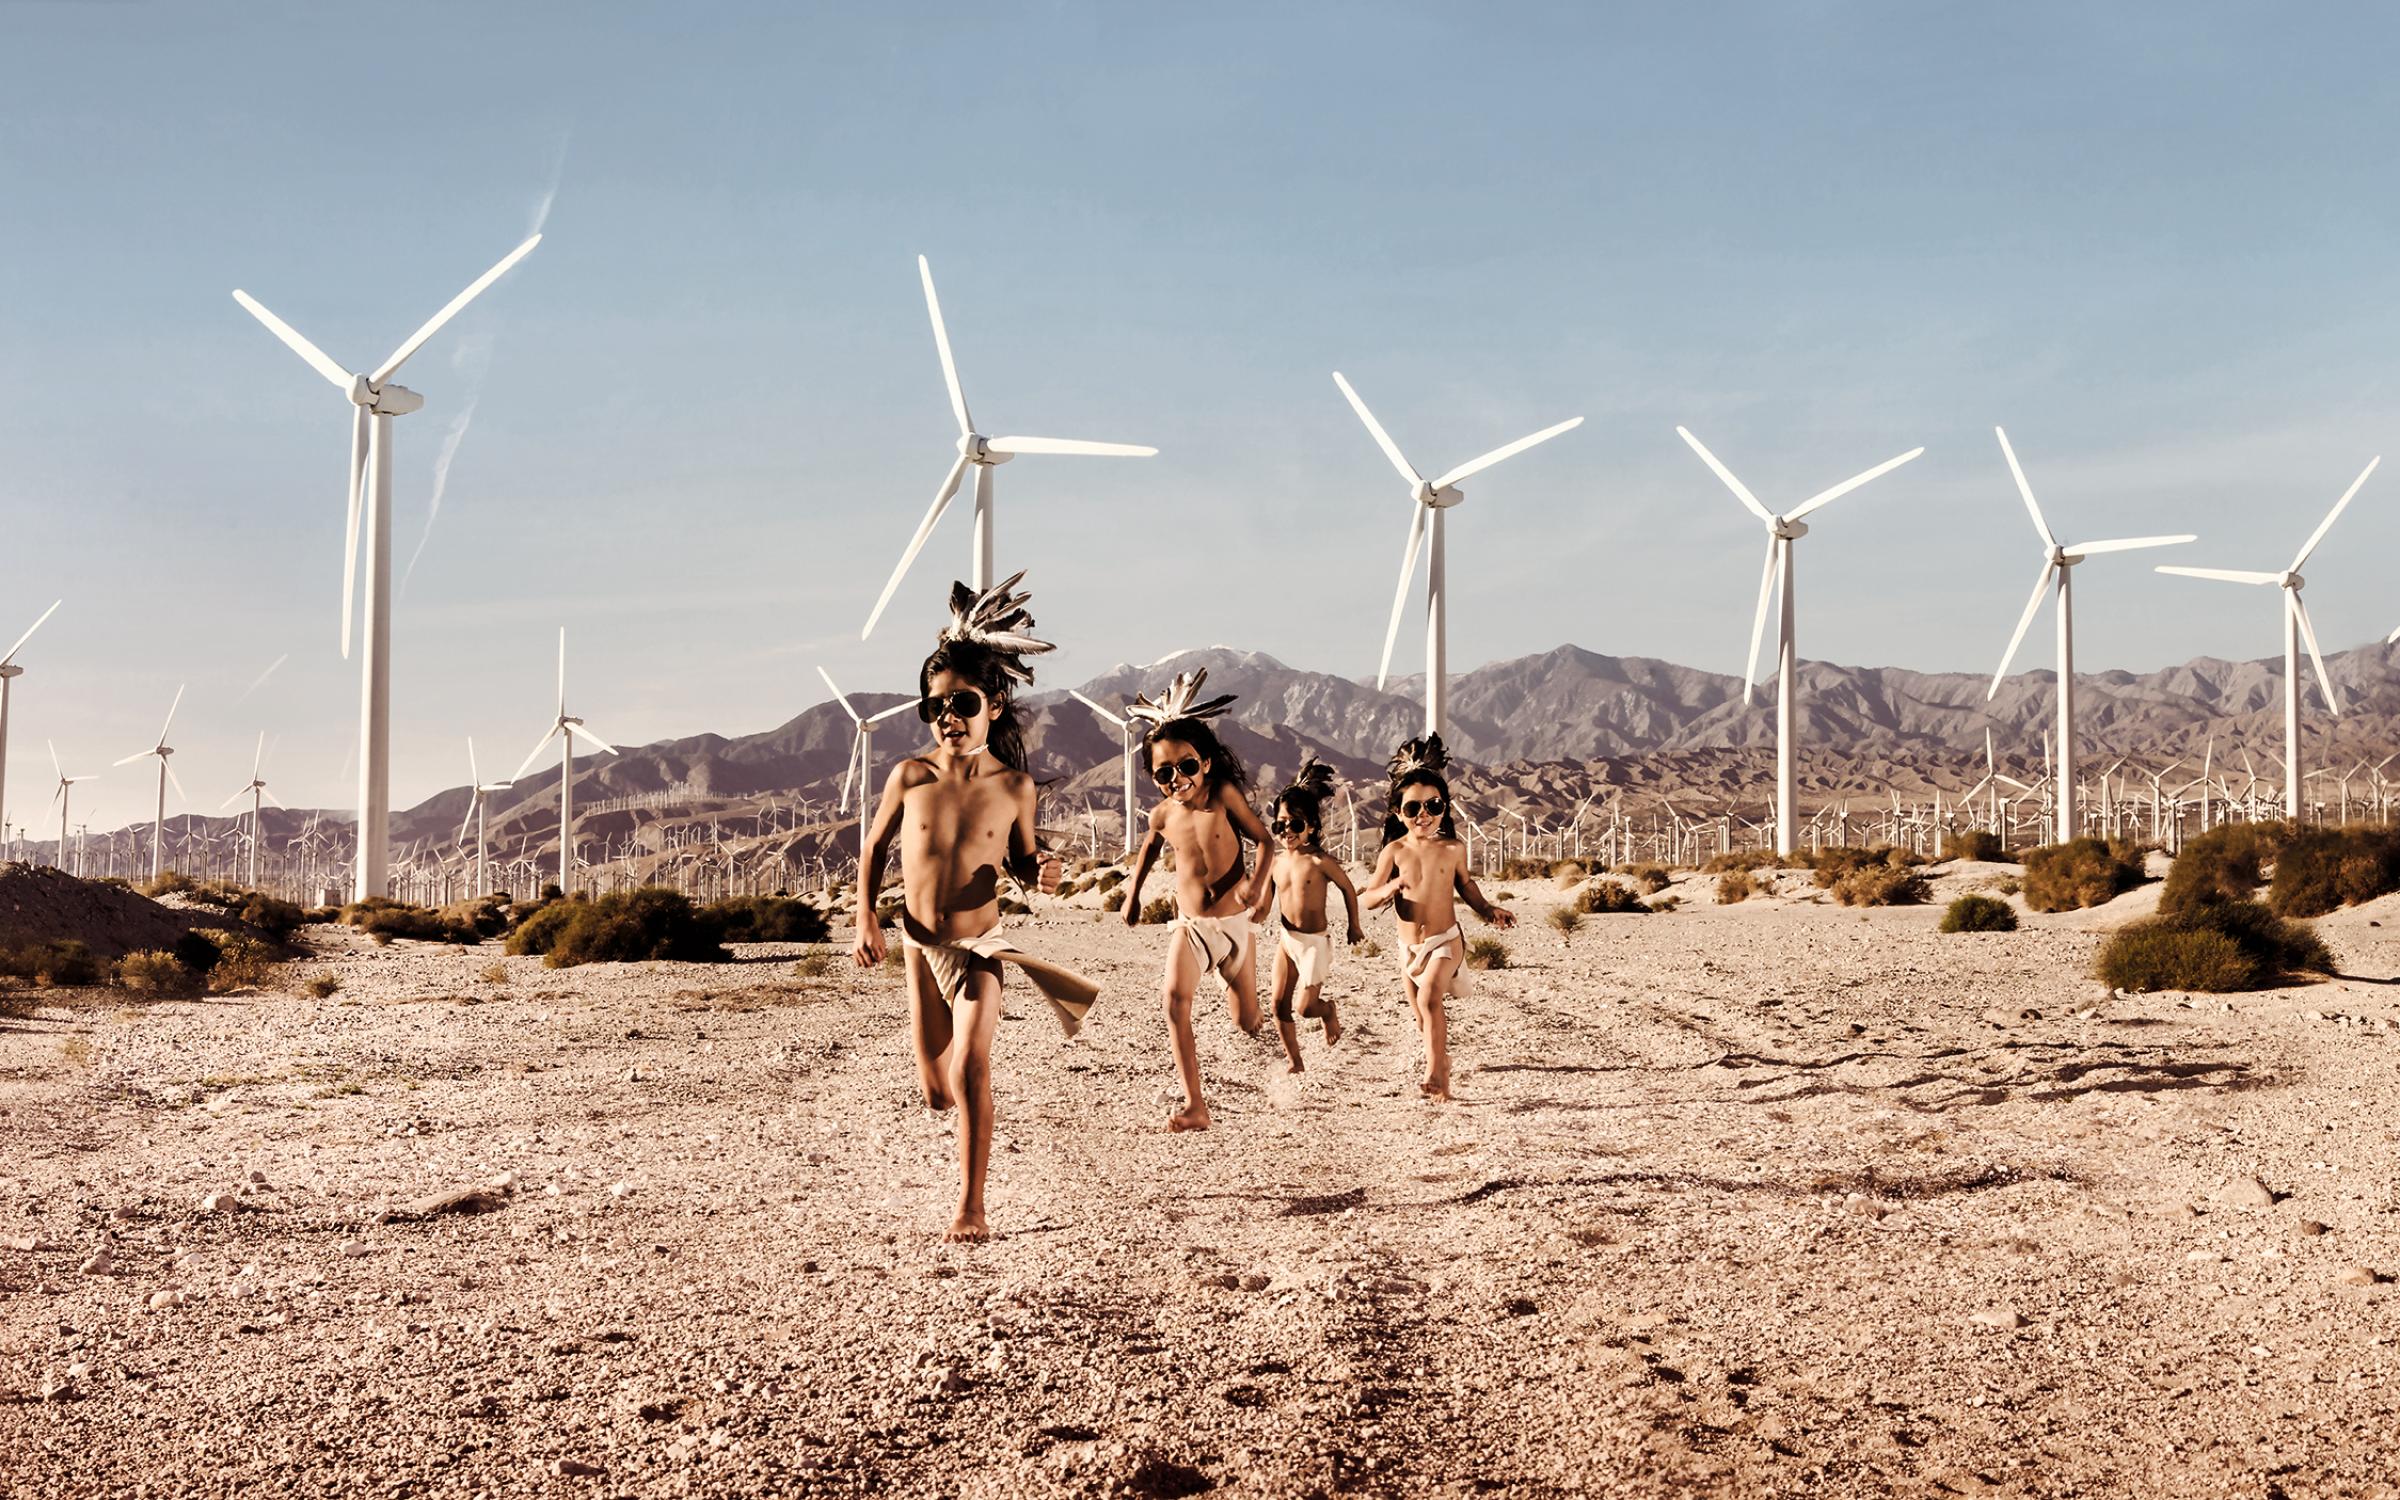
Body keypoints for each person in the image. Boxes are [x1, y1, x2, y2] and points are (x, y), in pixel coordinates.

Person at [852, 573, 1094, 1241]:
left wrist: (1038, 869)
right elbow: (873, 848)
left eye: (962, 703)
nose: (948, 717)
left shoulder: (1014, 786)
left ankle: (972, 1205)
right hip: (918, 945)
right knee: (935, 1089)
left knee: (970, 1066)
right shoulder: (910, 776)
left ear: (994, 703)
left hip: (980, 948)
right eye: (935, 707)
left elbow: (1019, 857)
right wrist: (866, 917)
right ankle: (967, 1131)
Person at [1118, 669, 1273, 1131]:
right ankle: (1194, 1104)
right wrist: (1133, 896)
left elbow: (1264, 841)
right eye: (1164, 772)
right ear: (1153, 777)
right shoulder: (1161, 814)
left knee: (1247, 1021)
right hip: (1192, 928)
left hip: (1236, 926)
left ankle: (1245, 993)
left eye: (1186, 766)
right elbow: (1147, 851)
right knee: (1173, 1001)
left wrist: (1256, 887)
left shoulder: (1224, 796)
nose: (1177, 777)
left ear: (1205, 762)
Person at [1359, 734, 1513, 1100]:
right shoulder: (1393, 852)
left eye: (1433, 805)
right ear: (1399, 812)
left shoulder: (1453, 849)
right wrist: (1391, 888)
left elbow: (1467, 886)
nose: (1423, 814)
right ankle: (1441, 1061)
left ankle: (1434, 1074)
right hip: (1407, 950)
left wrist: (1490, 910)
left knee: (1430, 1000)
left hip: (1446, 941)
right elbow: (1367, 898)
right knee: (1421, 1018)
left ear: (1444, 807)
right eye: (1413, 808)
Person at [1250, 756, 1361, 1071]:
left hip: (1314, 944)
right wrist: (1243, 920)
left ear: (1311, 827)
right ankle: (1295, 1060)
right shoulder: (1276, 863)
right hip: (1288, 940)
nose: (1287, 831)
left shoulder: (1320, 861)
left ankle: (1328, 1012)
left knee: (1304, 1008)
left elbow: (1348, 889)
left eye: (1295, 824)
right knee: (1278, 1004)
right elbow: (1264, 906)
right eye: (1280, 824)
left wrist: (1354, 926)